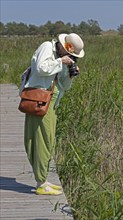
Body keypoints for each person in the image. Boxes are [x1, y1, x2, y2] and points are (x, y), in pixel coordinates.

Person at [22, 33, 85, 195]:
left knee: (48, 141)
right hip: (41, 102)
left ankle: (42, 179)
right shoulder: (46, 47)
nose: (70, 57)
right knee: (42, 141)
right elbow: (41, 68)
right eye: (70, 54)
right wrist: (60, 62)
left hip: (51, 104)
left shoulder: (60, 57)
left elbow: (64, 86)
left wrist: (70, 75)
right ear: (63, 47)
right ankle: (41, 183)